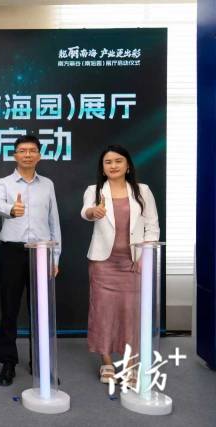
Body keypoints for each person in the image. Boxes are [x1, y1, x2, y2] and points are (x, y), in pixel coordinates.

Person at [81, 145, 159, 384]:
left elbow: (152, 226)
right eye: (108, 162)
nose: (113, 165)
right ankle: (106, 362)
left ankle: (131, 364)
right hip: (103, 264)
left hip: (133, 262)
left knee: (131, 315)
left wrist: (145, 256)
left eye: (118, 161)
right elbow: (86, 212)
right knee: (103, 313)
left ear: (127, 166)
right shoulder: (94, 190)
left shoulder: (142, 191)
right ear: (102, 168)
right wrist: (94, 212)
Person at [0, 134, 61, 387]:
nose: (27, 154)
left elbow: (54, 221)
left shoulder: (48, 185)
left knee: (40, 311)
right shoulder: (4, 183)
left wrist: (55, 256)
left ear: (39, 155)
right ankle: (8, 363)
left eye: (32, 150)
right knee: (9, 309)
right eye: (22, 150)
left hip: (41, 252)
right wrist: (12, 210)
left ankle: (39, 361)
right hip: (12, 251)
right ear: (15, 155)